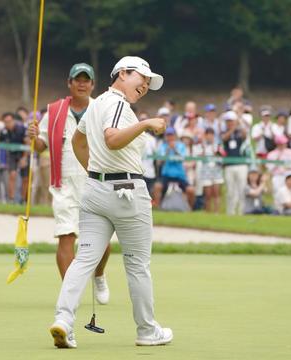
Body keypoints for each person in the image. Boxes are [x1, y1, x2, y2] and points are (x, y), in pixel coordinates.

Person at [50, 56, 173, 348]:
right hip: (127, 192)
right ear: (123, 73)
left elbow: (77, 143)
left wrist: (94, 172)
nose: (145, 85)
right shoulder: (118, 104)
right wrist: (145, 123)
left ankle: (64, 321)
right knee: (137, 266)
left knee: (84, 260)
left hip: (95, 191)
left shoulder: (96, 104)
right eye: (141, 78)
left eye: (148, 84)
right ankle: (147, 330)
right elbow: (113, 139)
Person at [28, 63, 111, 303]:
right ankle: (70, 295)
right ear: (69, 83)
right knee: (66, 236)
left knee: (102, 243)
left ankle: (99, 274)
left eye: (87, 80)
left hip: (95, 181)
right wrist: (34, 138)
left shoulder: (101, 109)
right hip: (63, 182)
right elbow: (41, 145)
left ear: (93, 85)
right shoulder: (54, 111)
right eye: (78, 79)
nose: (82, 83)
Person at [221, 110, 248, 215]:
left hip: (241, 164)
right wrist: (232, 129)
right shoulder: (224, 132)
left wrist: (239, 122)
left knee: (241, 189)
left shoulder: (239, 132)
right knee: (230, 190)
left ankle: (241, 211)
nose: (230, 123)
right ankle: (230, 212)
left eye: (231, 121)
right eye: (228, 121)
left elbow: (245, 135)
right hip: (229, 165)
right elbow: (224, 138)